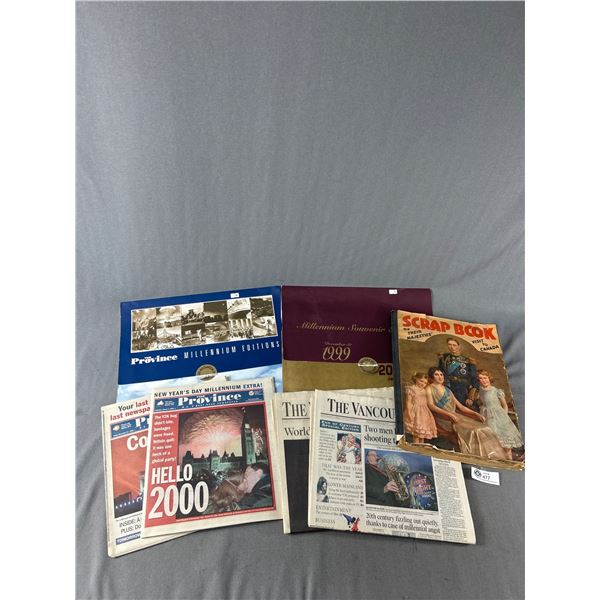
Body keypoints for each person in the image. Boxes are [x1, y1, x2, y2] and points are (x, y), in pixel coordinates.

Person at [426, 367, 506, 460]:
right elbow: (431, 405)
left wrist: (475, 414)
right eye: (436, 375)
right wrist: (449, 415)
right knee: (475, 431)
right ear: (432, 376)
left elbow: (461, 407)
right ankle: (479, 457)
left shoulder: (447, 390)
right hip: (444, 418)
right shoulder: (429, 388)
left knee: (485, 428)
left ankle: (493, 456)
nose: (440, 377)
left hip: (456, 416)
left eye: (441, 374)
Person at [476, 370, 523, 460]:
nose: (483, 380)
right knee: (493, 441)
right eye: (480, 378)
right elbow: (482, 402)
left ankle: (510, 460)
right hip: (486, 416)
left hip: (499, 416)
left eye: (485, 378)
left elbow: (504, 405)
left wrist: (504, 417)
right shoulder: (480, 390)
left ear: (489, 378)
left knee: (505, 442)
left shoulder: (496, 391)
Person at [438, 337, 479, 410]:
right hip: (448, 386)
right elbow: (439, 372)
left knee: (464, 410)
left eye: (454, 345)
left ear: (459, 346)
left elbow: (474, 378)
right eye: (449, 344)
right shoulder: (444, 359)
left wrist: (471, 395)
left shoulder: (468, 361)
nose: (452, 347)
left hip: (462, 388)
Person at [403, 372, 437, 444]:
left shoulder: (425, 391)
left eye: (425, 383)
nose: (423, 384)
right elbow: (408, 402)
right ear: (416, 379)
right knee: (416, 433)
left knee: (422, 433)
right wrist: (409, 413)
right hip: (415, 412)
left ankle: (422, 446)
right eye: (421, 381)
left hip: (424, 413)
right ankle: (416, 445)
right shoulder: (411, 389)